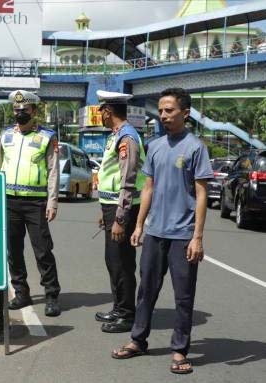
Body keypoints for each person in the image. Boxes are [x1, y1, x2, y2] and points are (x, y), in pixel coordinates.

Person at [111, 88, 214, 375]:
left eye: (169, 110)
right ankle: (137, 339)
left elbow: (201, 193)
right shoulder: (154, 145)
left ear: (185, 113)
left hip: (183, 235)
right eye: (161, 110)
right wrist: (140, 224)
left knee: (183, 296)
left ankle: (180, 350)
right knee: (146, 291)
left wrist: (197, 236)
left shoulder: (196, 148)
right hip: (155, 231)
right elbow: (148, 187)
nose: (163, 115)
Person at [0, 90, 61, 317]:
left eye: (24, 110)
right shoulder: (6, 136)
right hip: (9, 201)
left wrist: (53, 202)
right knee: (14, 251)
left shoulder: (47, 137)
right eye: (16, 110)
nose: (19, 113)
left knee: (43, 251)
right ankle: (21, 292)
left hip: (36, 204)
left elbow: (53, 172)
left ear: (34, 111)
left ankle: (51, 295)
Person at [95, 90, 146, 333]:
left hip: (123, 210)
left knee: (122, 262)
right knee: (112, 260)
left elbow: (128, 181)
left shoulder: (127, 138)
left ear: (108, 111)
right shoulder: (116, 136)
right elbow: (110, 178)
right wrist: (104, 210)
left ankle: (126, 315)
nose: (100, 115)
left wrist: (119, 218)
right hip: (111, 207)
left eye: (101, 111)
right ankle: (119, 307)